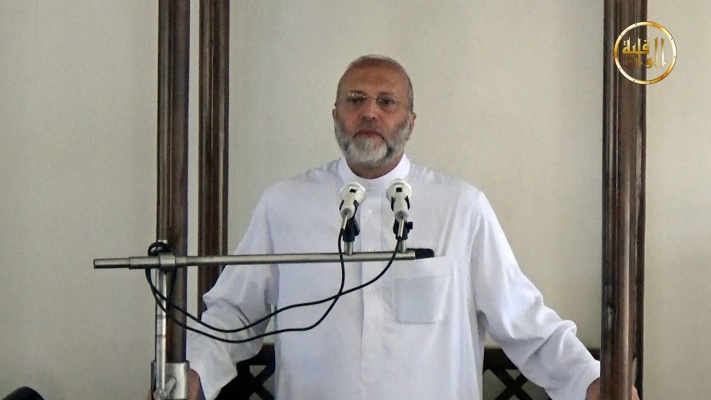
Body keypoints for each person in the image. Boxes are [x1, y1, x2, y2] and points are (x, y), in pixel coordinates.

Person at [183, 55, 639, 400]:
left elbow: (523, 320)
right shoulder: (284, 204)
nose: (370, 113)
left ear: (410, 121)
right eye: (355, 100)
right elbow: (233, 314)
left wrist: (591, 381)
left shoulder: (460, 207)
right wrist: (193, 375)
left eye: (386, 102)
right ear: (336, 114)